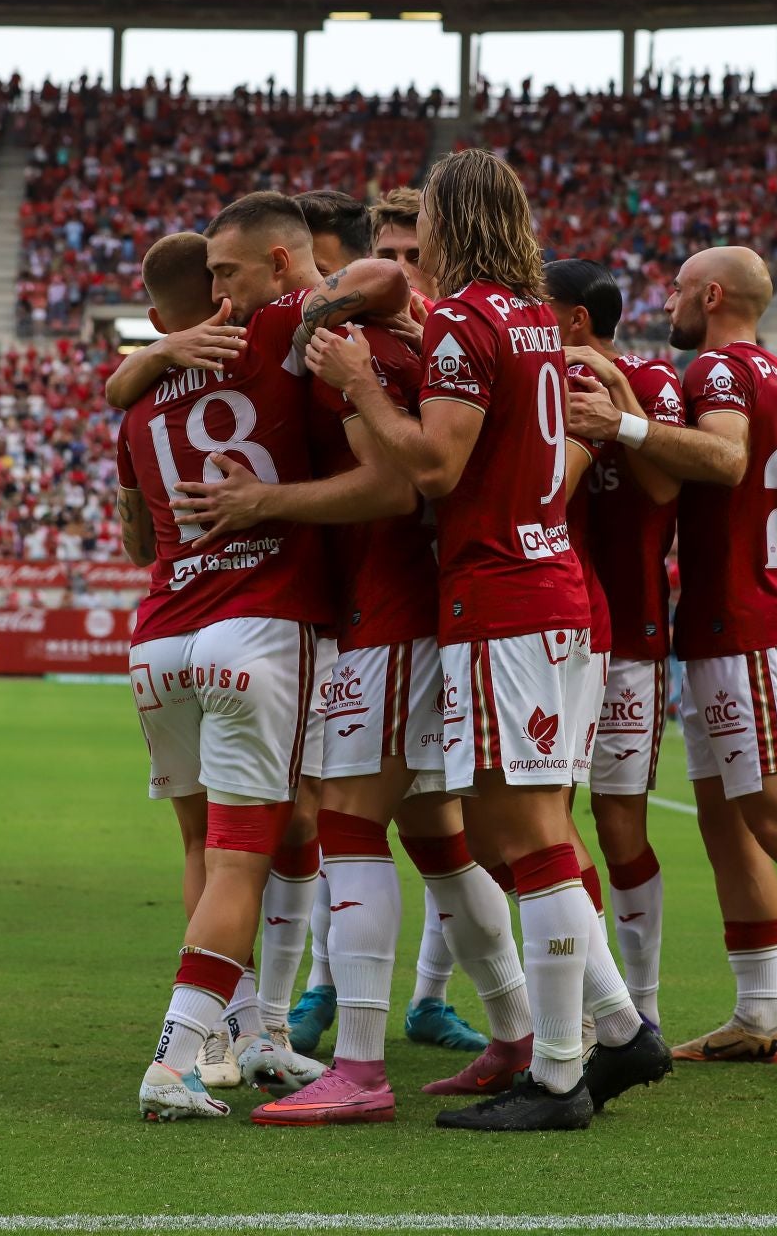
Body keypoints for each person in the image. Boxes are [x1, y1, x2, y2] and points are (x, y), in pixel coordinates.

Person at [327, 147, 669, 1130]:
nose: (416, 230)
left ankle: (561, 1073)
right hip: (552, 586)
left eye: (426, 211)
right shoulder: (526, 318)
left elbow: (434, 465)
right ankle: (614, 1024)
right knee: (518, 830)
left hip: (503, 601)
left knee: (524, 838)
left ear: (452, 219)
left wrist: (360, 383)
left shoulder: (468, 322)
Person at [108, 212, 404, 1121]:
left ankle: (254, 1035)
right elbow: (385, 284)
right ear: (220, 295)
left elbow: (134, 533)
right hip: (261, 627)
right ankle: (179, 1055)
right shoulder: (279, 327)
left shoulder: (140, 401)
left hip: (161, 635)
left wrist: (151, 364)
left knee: (216, 845)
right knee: (252, 853)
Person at [567, 244, 777, 1084]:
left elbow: (731, 459)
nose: (665, 301)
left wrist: (625, 425)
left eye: (675, 288)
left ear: (711, 295)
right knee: (725, 822)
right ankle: (758, 1011)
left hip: (748, 623)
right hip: (723, 620)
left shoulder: (719, 372)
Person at [287, 188, 490, 1062]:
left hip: (412, 613)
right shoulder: (440, 338)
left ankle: (366, 1052)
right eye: (388, 259)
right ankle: (543, 1031)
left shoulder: (439, 345)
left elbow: (413, 482)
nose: (399, 278)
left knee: (373, 822)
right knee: (443, 835)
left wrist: (261, 498)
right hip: (378, 613)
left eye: (415, 258)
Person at [544, 257, 684, 1032]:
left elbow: (664, 491)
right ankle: (583, 1007)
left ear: (573, 318)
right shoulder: (540, 382)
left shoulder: (654, 382)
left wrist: (617, 398)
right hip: (560, 631)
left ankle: (643, 1006)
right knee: (547, 817)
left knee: (620, 825)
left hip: (632, 637)